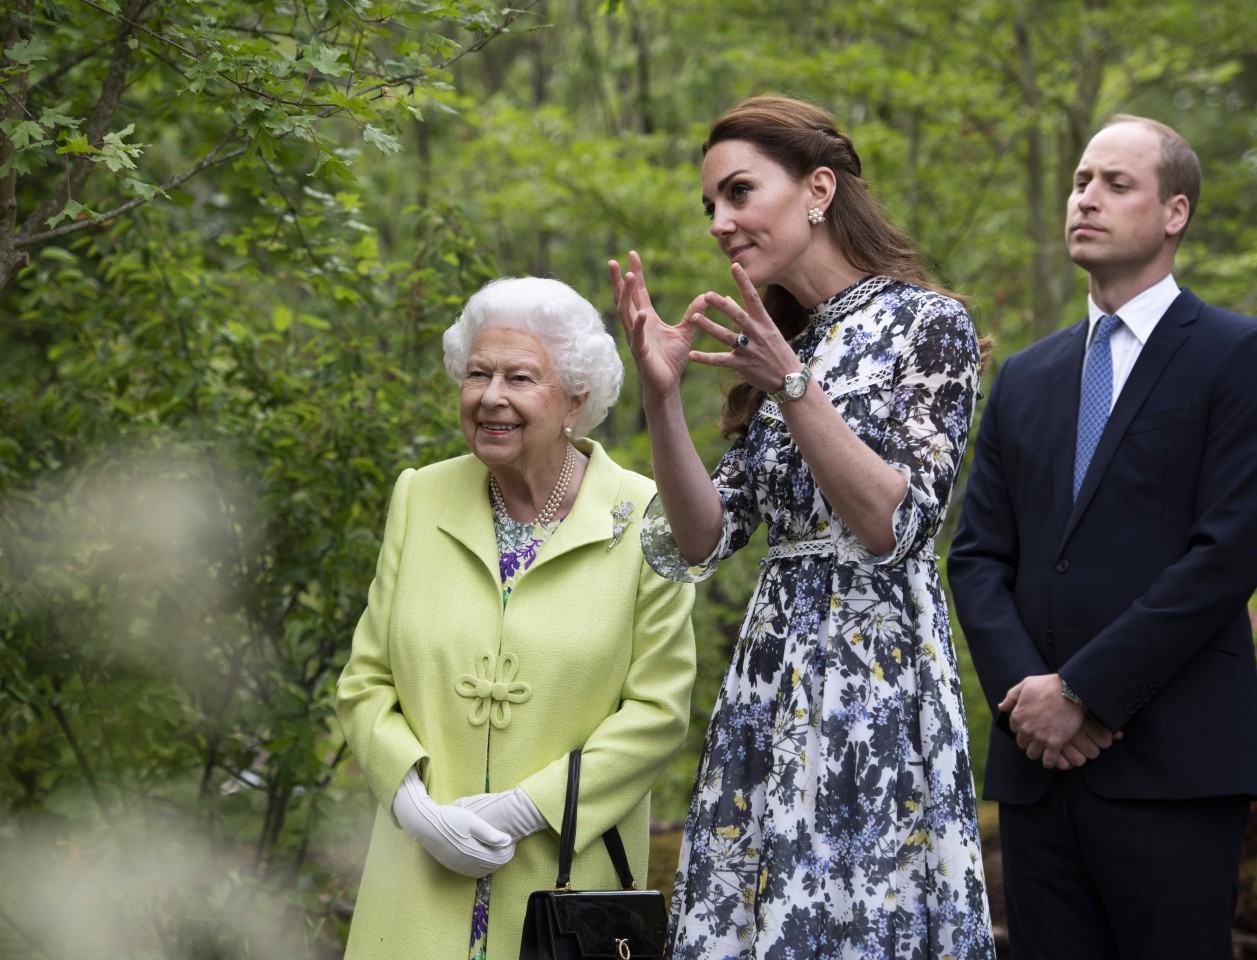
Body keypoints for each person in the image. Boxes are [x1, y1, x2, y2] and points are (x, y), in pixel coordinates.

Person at [610, 94, 995, 959]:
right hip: (770, 676)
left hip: (874, 687)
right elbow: (701, 540)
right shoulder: (783, 344)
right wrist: (660, 395)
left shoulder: (928, 326)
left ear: (817, 188)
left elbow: (890, 523)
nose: (719, 221)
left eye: (739, 192)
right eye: (708, 205)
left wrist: (793, 386)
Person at [949, 115, 1257, 959]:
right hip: (1037, 770)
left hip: (1174, 762)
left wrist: (1082, 692)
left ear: (1174, 213)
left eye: (1115, 184)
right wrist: (1030, 701)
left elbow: (1227, 552)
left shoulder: (1236, 355)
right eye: (1081, 181)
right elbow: (978, 557)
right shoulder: (1025, 375)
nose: (1085, 197)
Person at [335, 276, 697, 960]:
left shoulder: (646, 513)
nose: (490, 396)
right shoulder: (419, 496)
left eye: (519, 377)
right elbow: (364, 681)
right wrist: (414, 808)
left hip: (561, 893)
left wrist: (523, 808)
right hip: (417, 877)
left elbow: (658, 710)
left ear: (575, 399)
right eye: (477, 374)